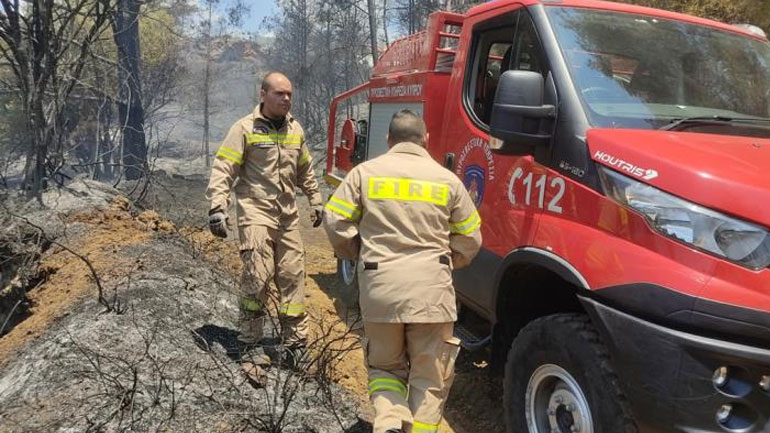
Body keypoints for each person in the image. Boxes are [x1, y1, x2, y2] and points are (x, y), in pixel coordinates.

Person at [323, 110, 482, 433]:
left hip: (381, 290)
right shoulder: (448, 180)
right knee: (430, 377)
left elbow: (336, 223)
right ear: (426, 140)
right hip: (431, 295)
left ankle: (390, 423)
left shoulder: (364, 174)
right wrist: (446, 262)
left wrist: (358, 252)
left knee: (385, 368)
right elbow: (471, 239)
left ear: (388, 140)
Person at [206, 72, 323, 361]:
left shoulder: (296, 130)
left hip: (287, 217)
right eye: (279, 93)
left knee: (292, 277)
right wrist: (218, 207)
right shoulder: (244, 129)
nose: (286, 99)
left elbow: (305, 169)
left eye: (289, 94)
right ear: (263, 95)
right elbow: (224, 169)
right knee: (257, 278)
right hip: (256, 215)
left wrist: (316, 199)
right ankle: (249, 342)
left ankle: (295, 345)